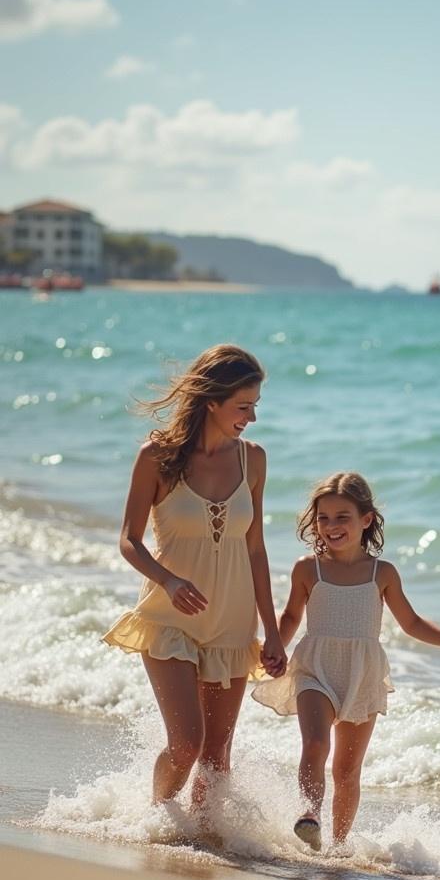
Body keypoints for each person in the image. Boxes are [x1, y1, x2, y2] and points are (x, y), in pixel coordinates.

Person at [103, 344, 287, 816]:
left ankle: (206, 848)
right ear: (212, 401)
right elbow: (129, 539)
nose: (252, 417)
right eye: (244, 406)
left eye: (255, 406)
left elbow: (256, 549)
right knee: (186, 744)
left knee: (216, 761)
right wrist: (168, 581)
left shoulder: (254, 460)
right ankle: (155, 822)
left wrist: (272, 631)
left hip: (232, 622)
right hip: (171, 619)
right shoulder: (158, 457)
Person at [251, 471, 440, 850]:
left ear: (366, 520)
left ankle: (336, 848)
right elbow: (290, 616)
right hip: (314, 668)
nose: (331, 526)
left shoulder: (381, 573)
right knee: (315, 745)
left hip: (362, 673)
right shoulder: (309, 568)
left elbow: (411, 622)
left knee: (346, 771)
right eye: (324, 518)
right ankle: (309, 813)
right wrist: (276, 644)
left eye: (343, 517)